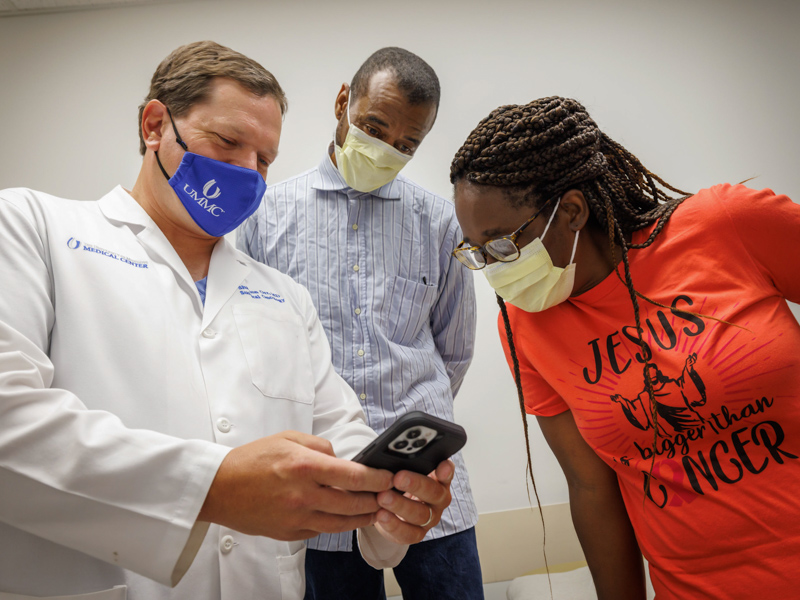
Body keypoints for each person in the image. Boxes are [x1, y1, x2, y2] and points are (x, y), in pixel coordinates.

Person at [0, 41, 456, 600]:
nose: (248, 171)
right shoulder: (32, 228)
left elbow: (342, 437)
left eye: (264, 159)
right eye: (228, 142)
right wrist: (211, 488)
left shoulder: (285, 298)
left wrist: (390, 507)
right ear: (154, 124)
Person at [449, 96, 800, 599]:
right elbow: (591, 488)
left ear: (571, 210)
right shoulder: (526, 326)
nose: (494, 267)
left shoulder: (726, 224)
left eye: (503, 243)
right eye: (478, 251)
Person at [238, 47, 482, 600]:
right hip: (321, 483)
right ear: (343, 102)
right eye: (374, 128)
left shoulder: (440, 222)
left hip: (430, 489)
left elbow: (454, 351)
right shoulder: (267, 215)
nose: (386, 150)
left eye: (406, 145)